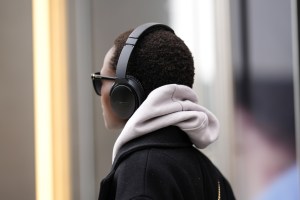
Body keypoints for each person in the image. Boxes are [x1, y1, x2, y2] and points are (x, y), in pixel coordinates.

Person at [91, 23, 235, 200]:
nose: (99, 91)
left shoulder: (141, 173)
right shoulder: (215, 177)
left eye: (100, 81)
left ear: (124, 92)